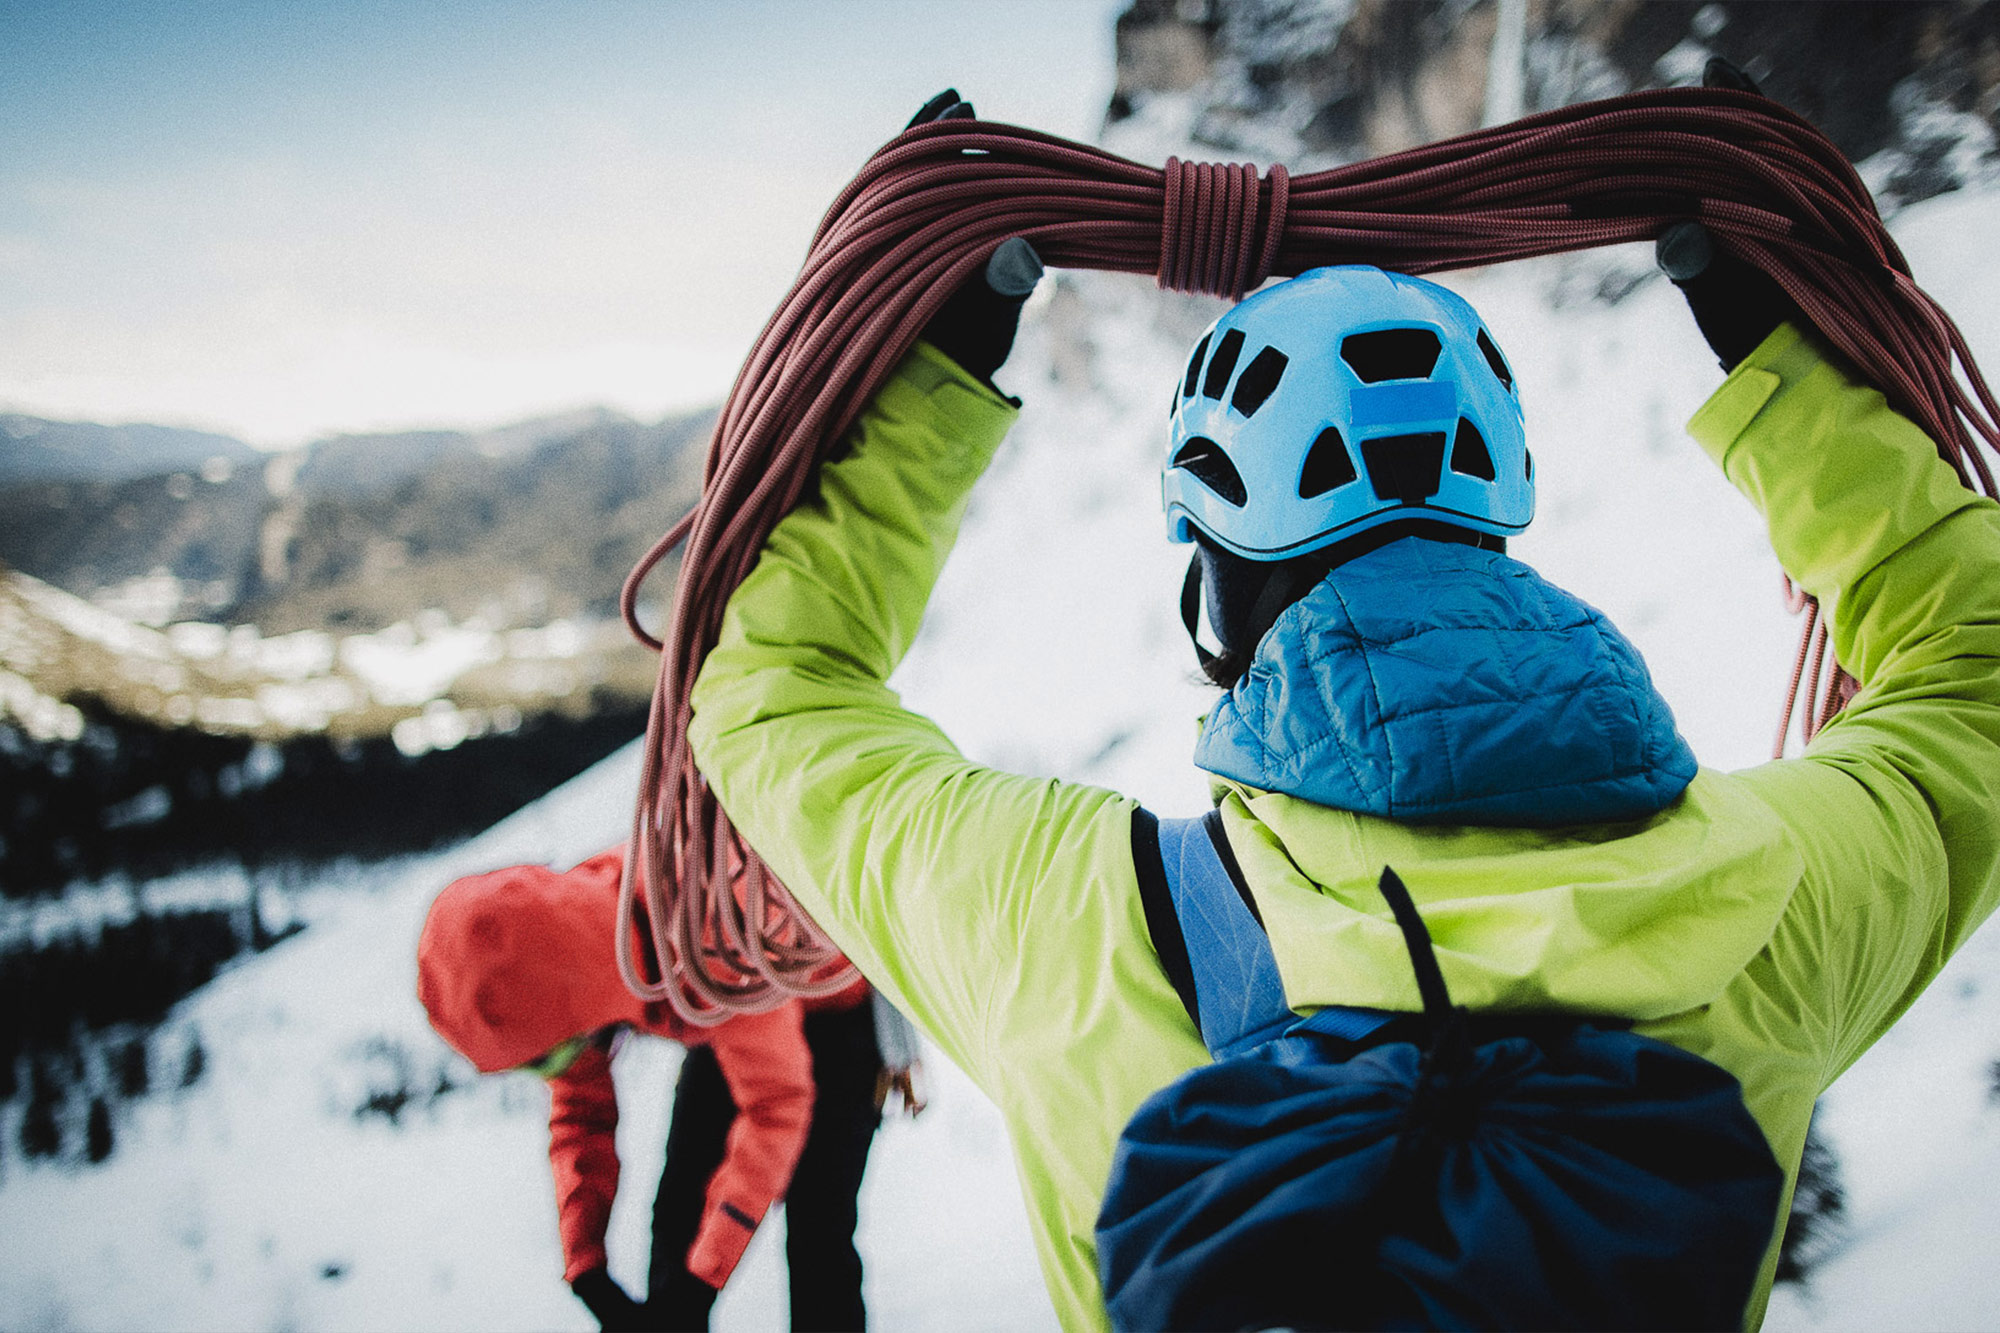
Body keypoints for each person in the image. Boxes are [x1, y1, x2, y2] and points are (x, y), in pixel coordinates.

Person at [684, 91, 2000, 1328]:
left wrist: (928, 377)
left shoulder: (1068, 923)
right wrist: (1780, 355)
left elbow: (769, 691)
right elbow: (1976, 666)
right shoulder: (1765, 904)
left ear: (1212, 590)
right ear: (1495, 526)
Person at [417, 844, 921, 1331]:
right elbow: (581, 1114)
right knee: (678, 1216)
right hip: (725, 1013)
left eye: (547, 1060)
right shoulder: (569, 968)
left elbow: (775, 1108)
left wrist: (699, 1285)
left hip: (833, 1009)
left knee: (818, 1232)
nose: (555, 1073)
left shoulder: (710, 920)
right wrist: (586, 1265)